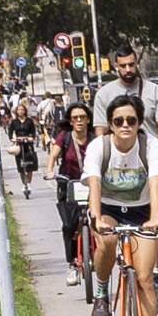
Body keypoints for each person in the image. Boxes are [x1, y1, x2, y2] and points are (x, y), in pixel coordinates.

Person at [82, 89, 158, 316]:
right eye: (118, 121)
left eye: (131, 121)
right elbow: (94, 184)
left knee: (145, 279)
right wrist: (96, 217)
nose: (125, 126)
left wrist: (155, 218)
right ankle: (101, 293)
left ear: (139, 123)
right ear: (110, 123)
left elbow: (156, 183)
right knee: (106, 241)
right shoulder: (99, 147)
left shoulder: (150, 146)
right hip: (108, 207)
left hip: (142, 211)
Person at [92, 50, 158, 170]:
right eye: (123, 66)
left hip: (148, 161)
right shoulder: (104, 94)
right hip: (117, 168)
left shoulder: (155, 91)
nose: (128, 69)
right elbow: (100, 131)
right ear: (116, 66)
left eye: (131, 65)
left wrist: (156, 159)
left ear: (137, 63)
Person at [51, 100, 94, 284]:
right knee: (69, 226)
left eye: (82, 117)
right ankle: (72, 264)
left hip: (93, 184)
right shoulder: (65, 137)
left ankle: (96, 257)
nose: (79, 121)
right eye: (75, 118)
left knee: (100, 223)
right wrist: (49, 170)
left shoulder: (94, 137)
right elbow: (53, 154)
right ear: (70, 121)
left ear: (88, 119)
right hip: (69, 184)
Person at [8, 99, 41, 195]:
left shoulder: (29, 121)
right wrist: (12, 139)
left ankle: (29, 183)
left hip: (28, 145)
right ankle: (24, 183)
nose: (20, 111)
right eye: (19, 110)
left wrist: (32, 138)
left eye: (22, 110)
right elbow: (10, 132)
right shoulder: (14, 122)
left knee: (30, 165)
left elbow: (33, 132)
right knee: (21, 166)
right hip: (19, 145)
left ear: (25, 111)